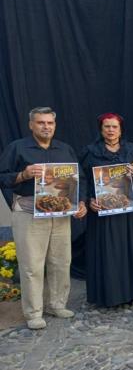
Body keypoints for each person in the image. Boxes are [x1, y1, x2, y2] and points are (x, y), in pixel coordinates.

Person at [0, 107, 87, 330]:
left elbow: (80, 179)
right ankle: (33, 312)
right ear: (31, 125)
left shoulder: (64, 149)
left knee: (61, 262)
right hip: (29, 213)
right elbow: (3, 177)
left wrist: (81, 203)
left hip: (60, 213)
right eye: (41, 123)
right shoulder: (17, 148)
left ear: (55, 125)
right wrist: (24, 174)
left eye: (49, 123)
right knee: (32, 267)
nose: (46, 126)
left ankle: (56, 304)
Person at [80, 112, 133, 307]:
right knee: (108, 250)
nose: (111, 130)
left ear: (121, 130)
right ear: (101, 129)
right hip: (102, 212)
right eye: (107, 127)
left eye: (114, 127)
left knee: (130, 248)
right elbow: (82, 180)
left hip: (129, 210)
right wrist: (88, 200)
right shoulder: (90, 151)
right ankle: (109, 294)